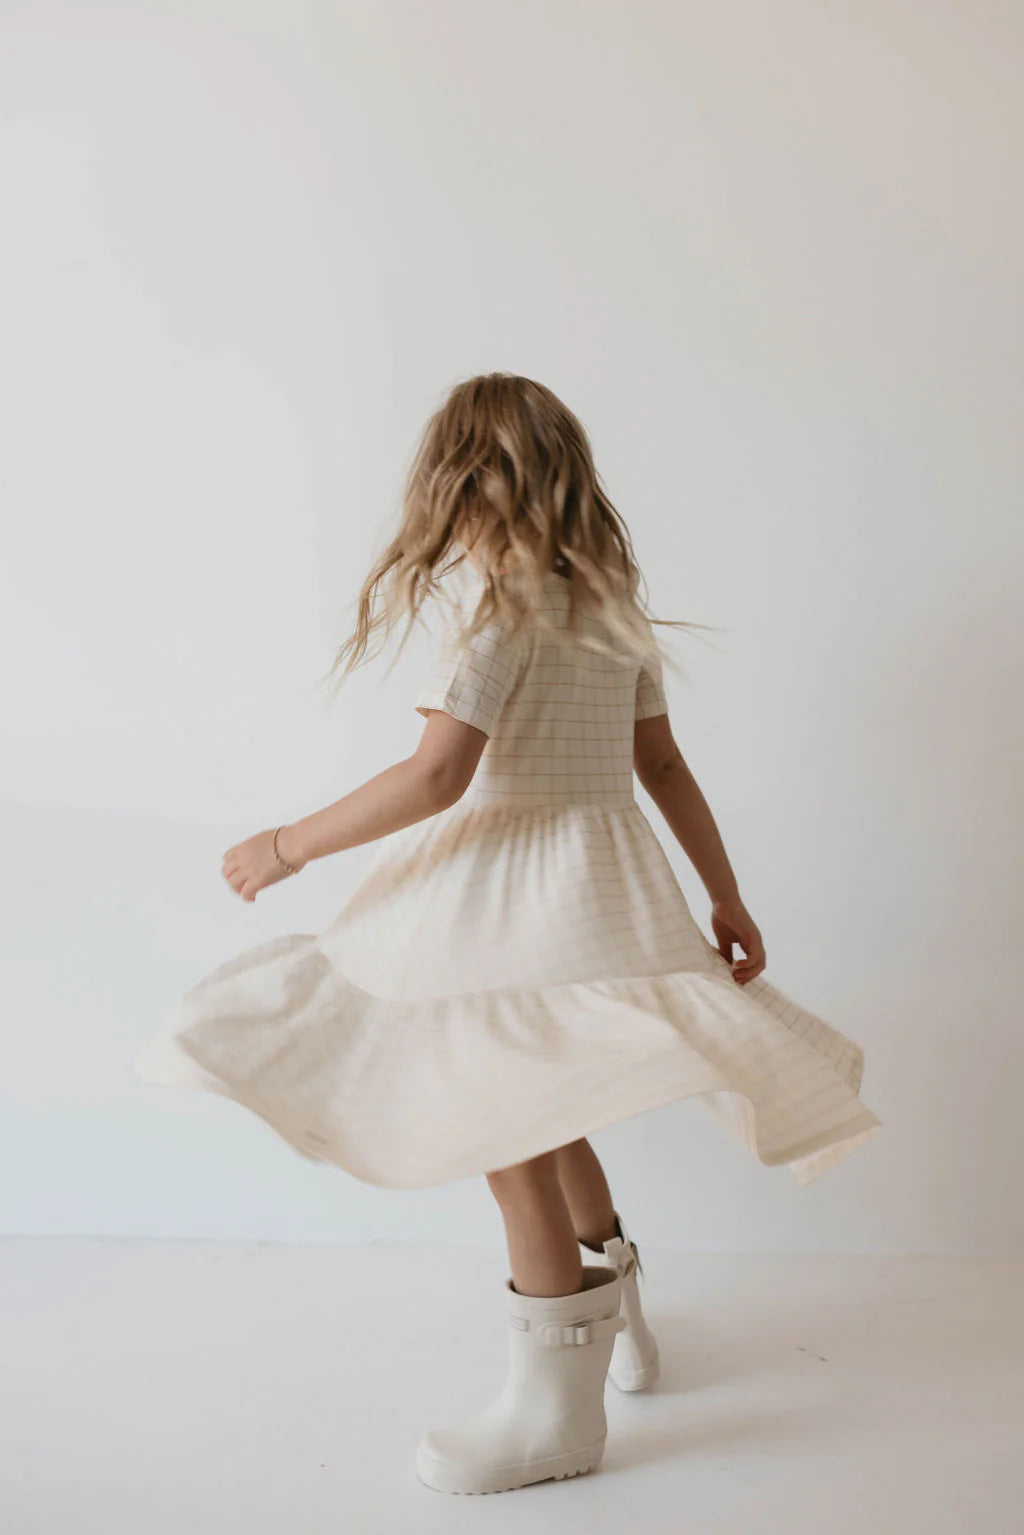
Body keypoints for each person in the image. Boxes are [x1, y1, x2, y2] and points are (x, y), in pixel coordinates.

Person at [135, 372, 881, 1496]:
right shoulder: (610, 598)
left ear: (462, 484)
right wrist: (723, 894)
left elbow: (438, 775)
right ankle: (614, 1286)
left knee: (507, 1125)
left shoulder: (496, 610)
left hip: (500, 896)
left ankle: (555, 1407)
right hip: (600, 883)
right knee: (545, 1093)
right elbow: (662, 763)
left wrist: (288, 844)